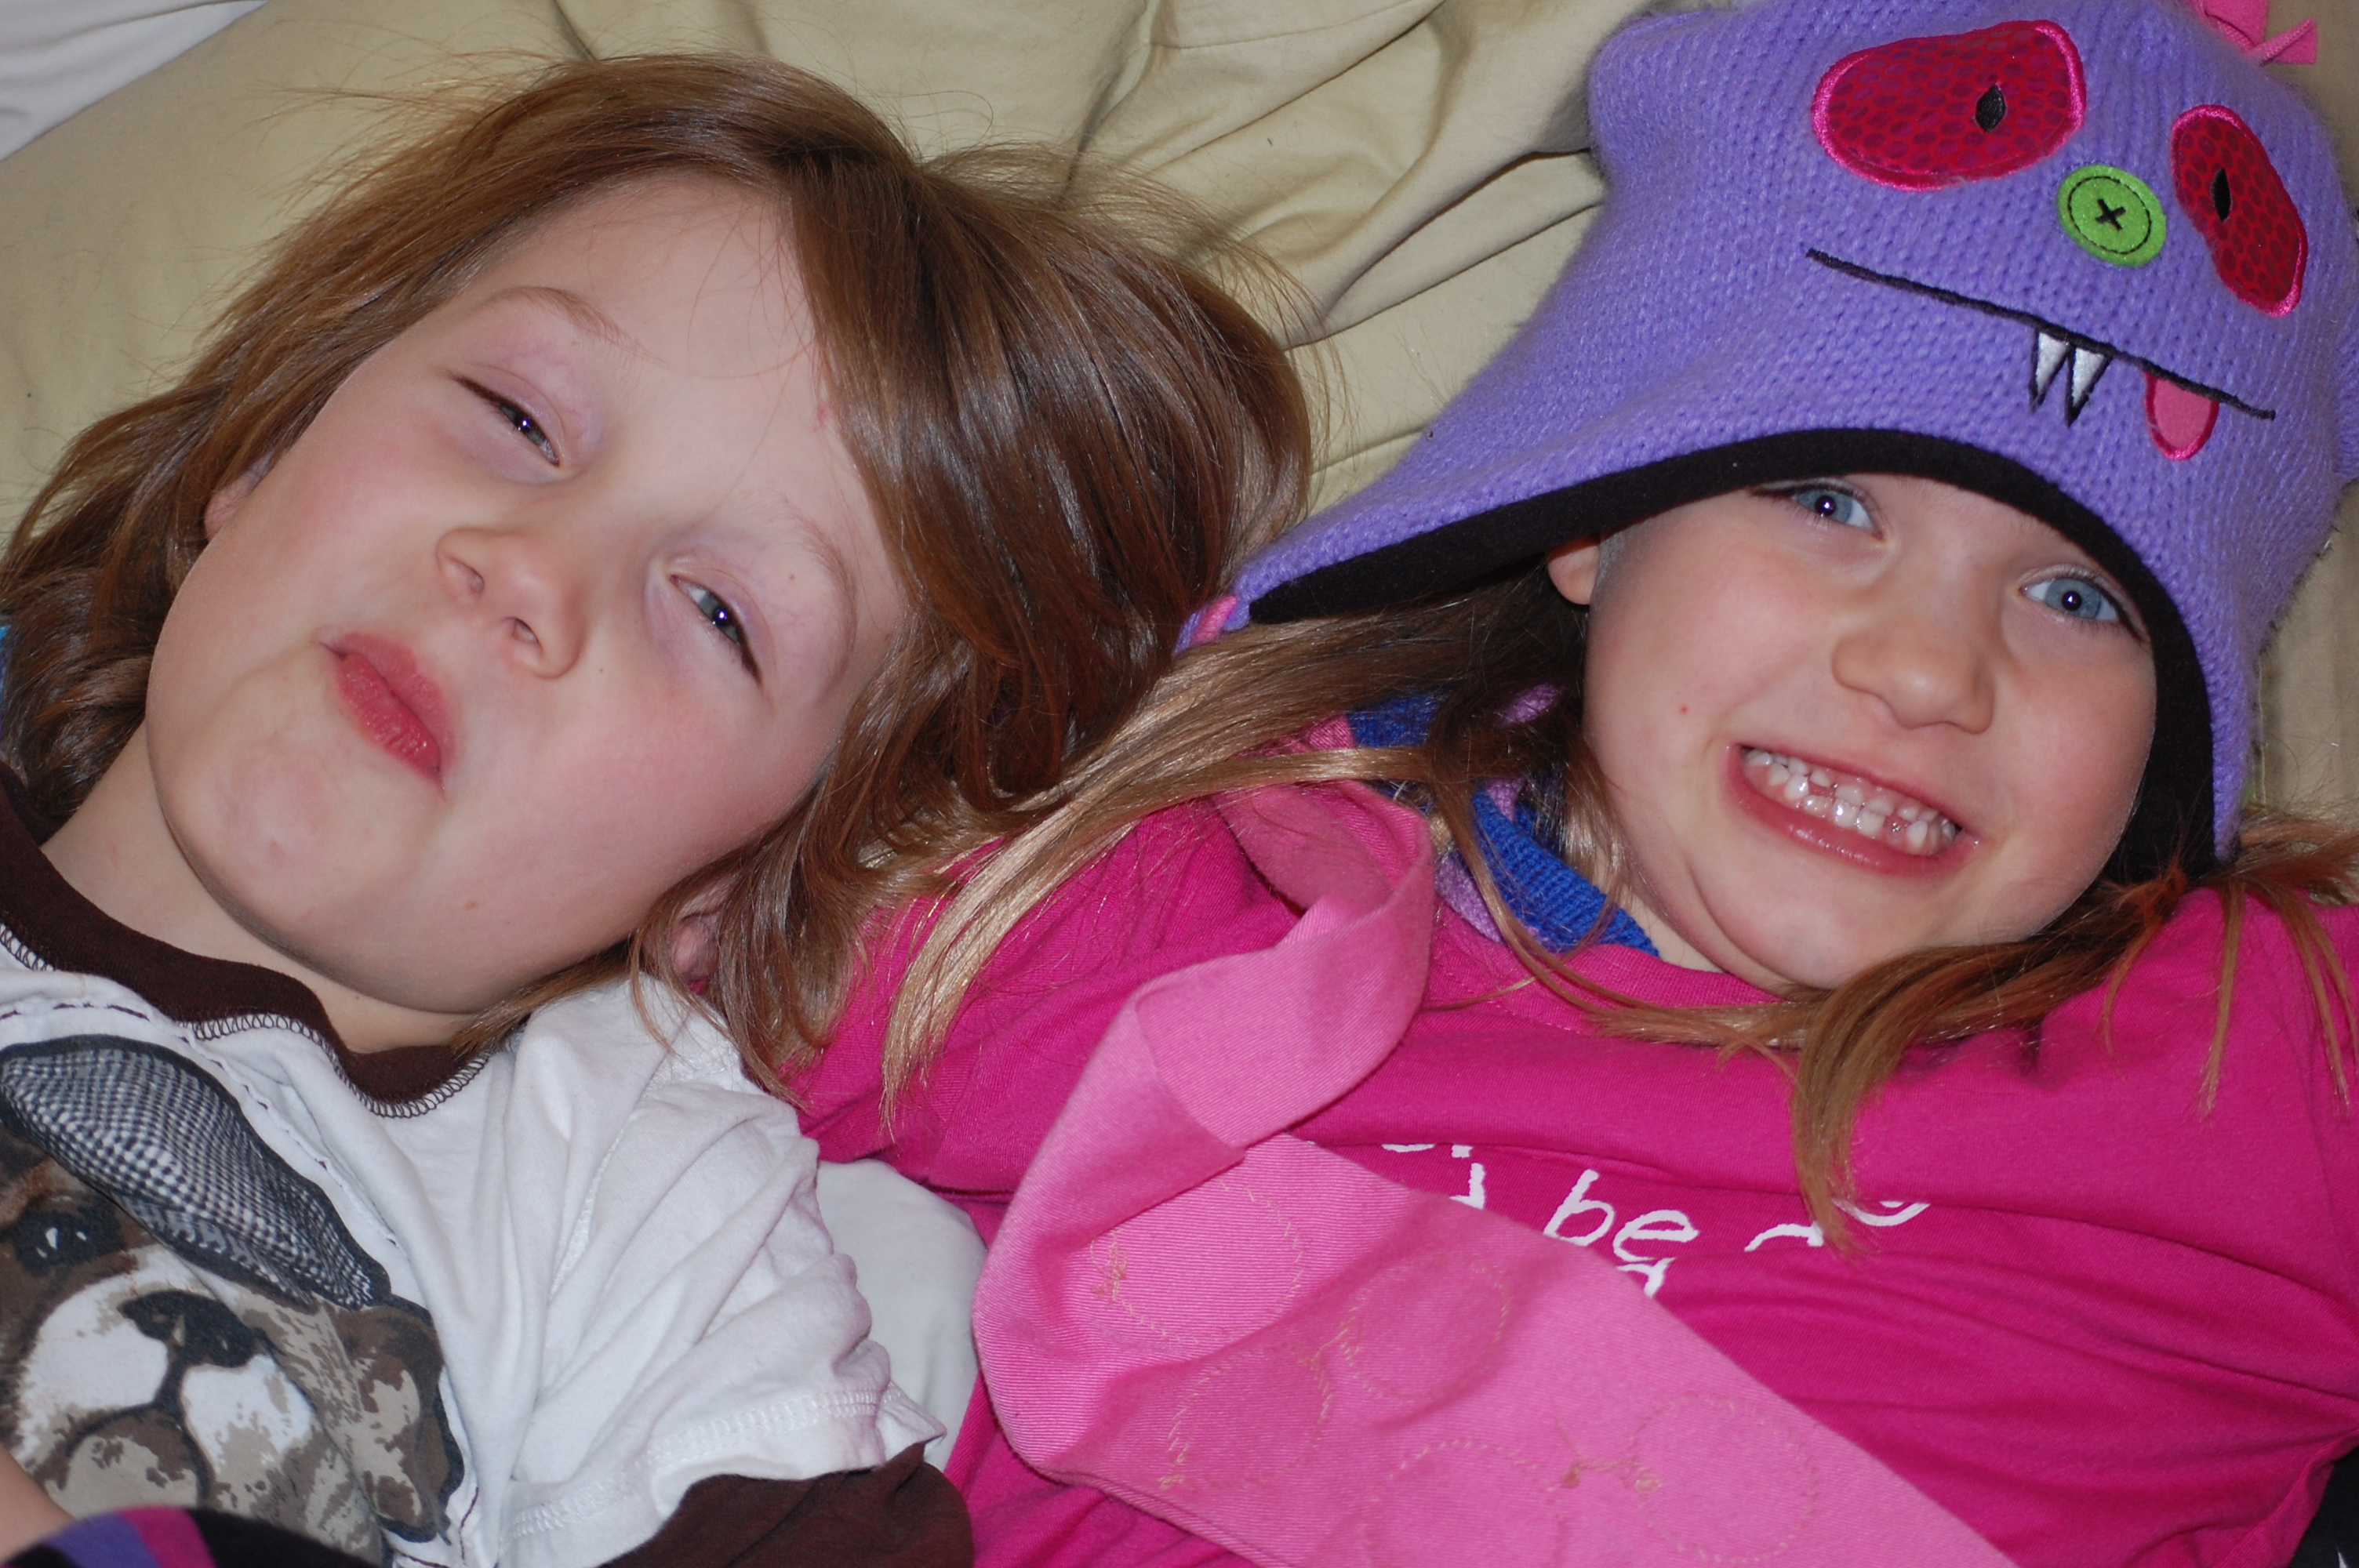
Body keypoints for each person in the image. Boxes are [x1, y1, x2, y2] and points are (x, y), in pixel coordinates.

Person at [794, 0, 2359, 1563]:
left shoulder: (2265, 1048)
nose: (1927, 671)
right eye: (1827, 501)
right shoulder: (1170, 902)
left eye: (2079, 598)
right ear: (1592, 515)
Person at [0, 52, 1307, 1568]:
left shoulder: (647, 1212)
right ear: (272, 440)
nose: (529, 570)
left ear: (742, 879)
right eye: (519, 418)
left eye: (717, 611)